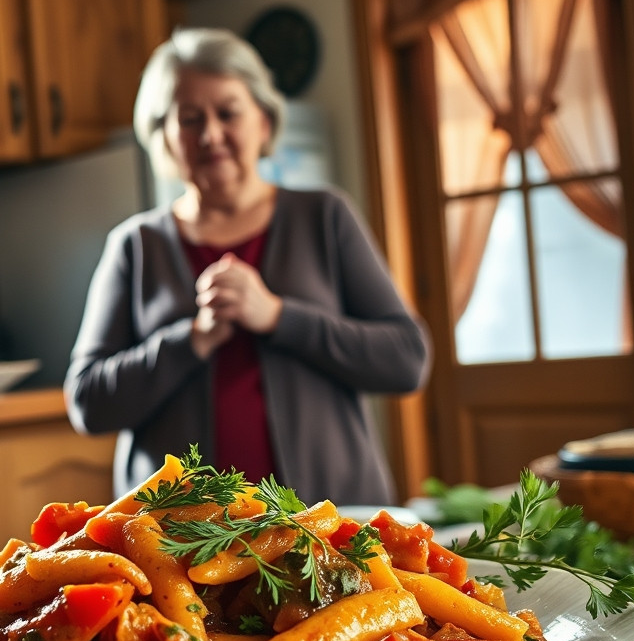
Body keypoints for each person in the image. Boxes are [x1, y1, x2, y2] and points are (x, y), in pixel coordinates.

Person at [64, 27, 430, 506]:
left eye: (227, 112)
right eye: (190, 119)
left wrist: (279, 316)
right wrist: (191, 339)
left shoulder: (325, 216)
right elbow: (88, 403)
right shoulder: (135, 245)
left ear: (263, 120)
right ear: (165, 139)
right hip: (180, 544)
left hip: (332, 525)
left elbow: (406, 360)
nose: (210, 134)